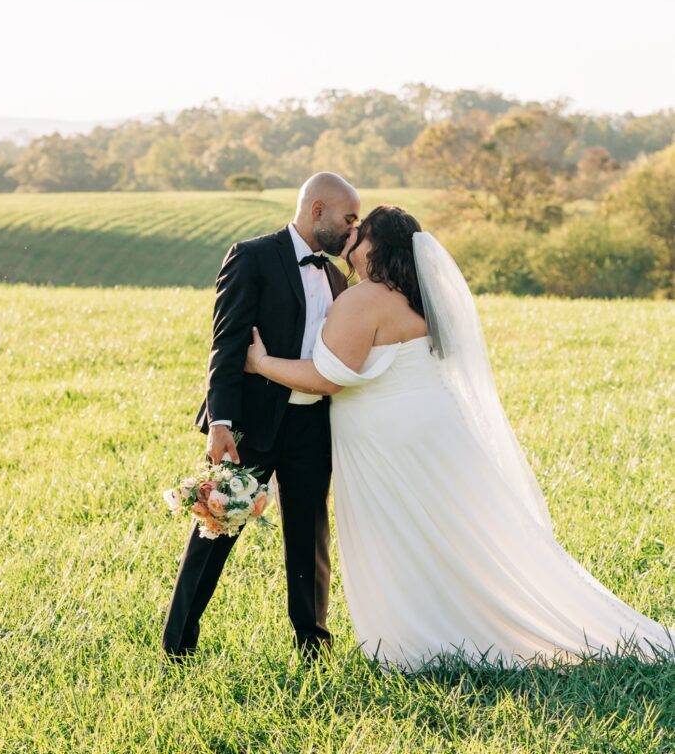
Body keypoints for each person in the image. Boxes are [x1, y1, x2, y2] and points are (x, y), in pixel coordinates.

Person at [244, 204, 674, 670]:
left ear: (377, 245)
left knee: (403, 539)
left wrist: (261, 364)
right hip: (432, 432)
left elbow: (328, 376)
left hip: (390, 443)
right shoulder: (418, 295)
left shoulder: (364, 297)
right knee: (444, 534)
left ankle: (423, 638)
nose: (351, 237)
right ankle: (462, 623)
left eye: (360, 232)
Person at [161, 172, 360, 662]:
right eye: (348, 218)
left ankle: (313, 647)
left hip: (312, 425)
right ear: (316, 211)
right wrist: (221, 423)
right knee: (217, 526)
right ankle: (177, 644)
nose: (353, 229)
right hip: (251, 424)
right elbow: (226, 345)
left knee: (309, 537)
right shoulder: (251, 256)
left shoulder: (337, 276)